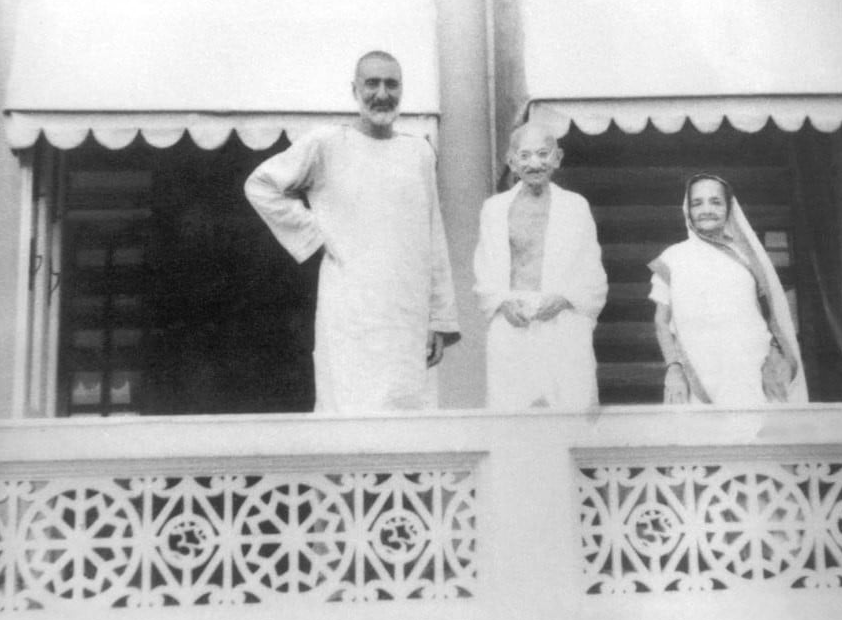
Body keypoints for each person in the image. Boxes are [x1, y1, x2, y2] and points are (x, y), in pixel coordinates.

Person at [244, 51, 460, 413]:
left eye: (391, 84)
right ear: (355, 89)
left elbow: (433, 236)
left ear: (402, 90)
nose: (381, 93)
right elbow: (261, 184)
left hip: (406, 316)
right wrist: (315, 237)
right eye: (371, 83)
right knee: (348, 413)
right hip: (349, 313)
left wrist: (440, 319)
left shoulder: (418, 153)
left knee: (406, 420)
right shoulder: (327, 144)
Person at [473, 123, 607, 410]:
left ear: (557, 158)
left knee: (570, 412)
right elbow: (484, 270)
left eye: (543, 154)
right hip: (513, 321)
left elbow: (593, 274)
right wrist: (502, 303)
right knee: (512, 416)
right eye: (525, 155)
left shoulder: (575, 206)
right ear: (511, 162)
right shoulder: (494, 209)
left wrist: (564, 299)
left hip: (561, 320)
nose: (535, 163)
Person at [648, 173, 809, 406]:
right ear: (688, 210)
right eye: (697, 203)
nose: (706, 210)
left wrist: (774, 358)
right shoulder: (673, 258)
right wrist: (674, 369)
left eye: (715, 202)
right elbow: (662, 322)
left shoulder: (749, 257)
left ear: (728, 208)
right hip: (695, 378)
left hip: (754, 373)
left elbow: (771, 317)